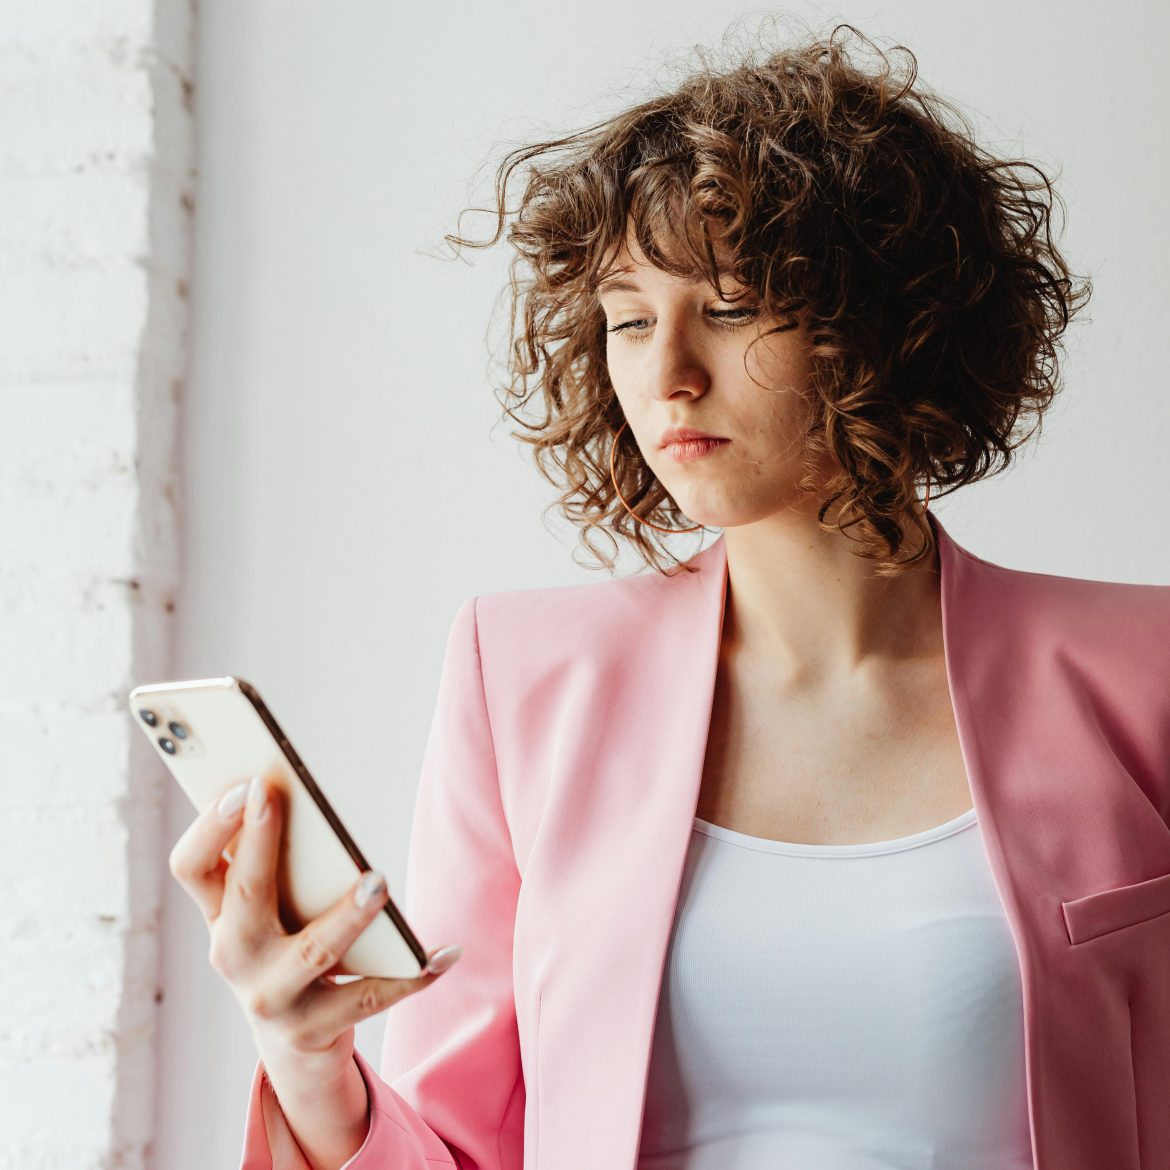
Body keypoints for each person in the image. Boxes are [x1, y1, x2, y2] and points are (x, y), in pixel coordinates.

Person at [169, 20, 1170, 1170]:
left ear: (890, 323)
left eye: (731, 306)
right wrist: (307, 1058)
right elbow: (460, 1145)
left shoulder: (1144, 672)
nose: (666, 373)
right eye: (630, 319)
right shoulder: (523, 676)